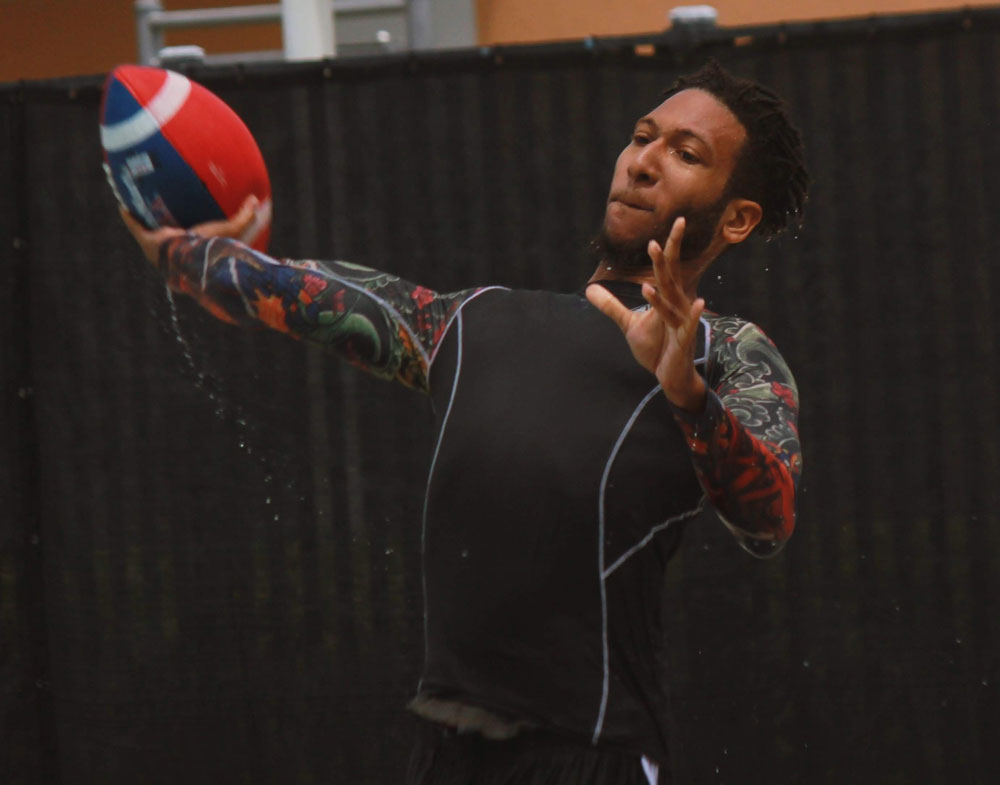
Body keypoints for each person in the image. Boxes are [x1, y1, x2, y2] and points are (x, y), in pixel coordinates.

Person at [121, 60, 807, 785]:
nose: (644, 161)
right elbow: (303, 290)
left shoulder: (726, 352)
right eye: (643, 137)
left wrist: (688, 396)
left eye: (685, 152)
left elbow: (770, 519)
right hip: (447, 750)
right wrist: (185, 253)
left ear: (736, 217)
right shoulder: (475, 320)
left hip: (590, 757)